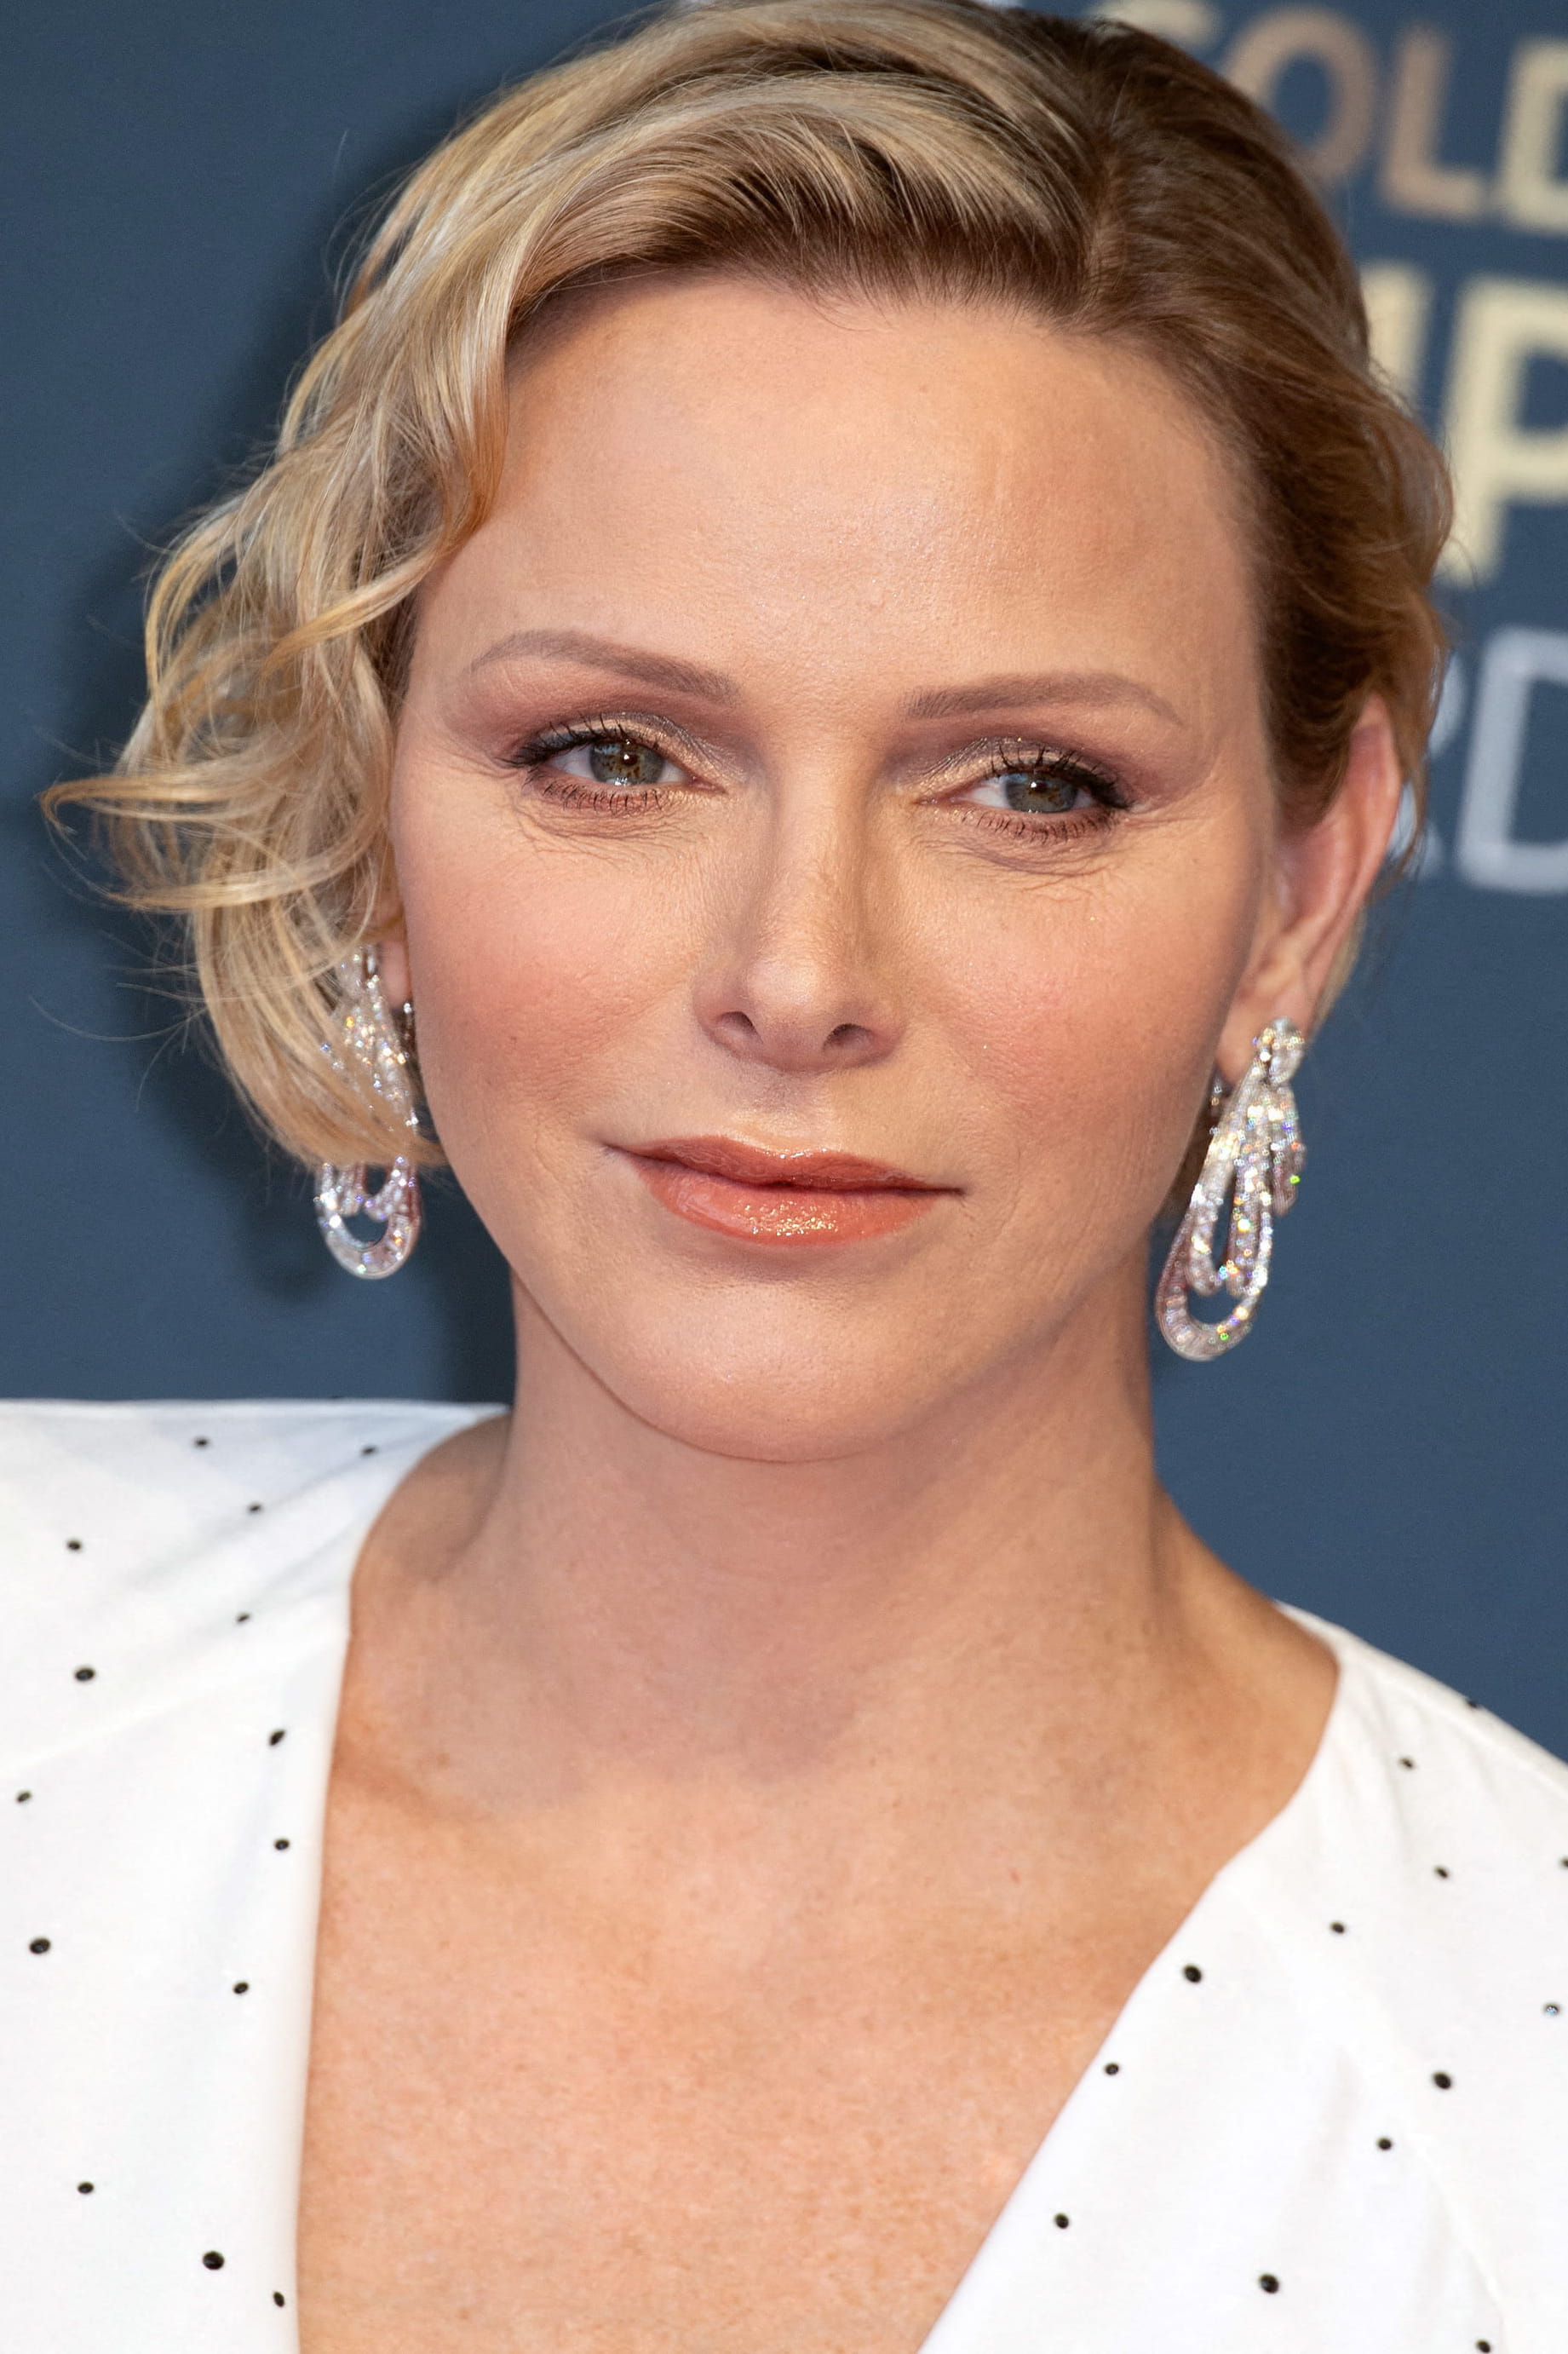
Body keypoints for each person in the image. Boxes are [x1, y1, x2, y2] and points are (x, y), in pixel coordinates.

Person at [7, 3, 1565, 2348]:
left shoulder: (1516, 2095)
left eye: (1029, 785)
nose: (799, 974)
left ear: (1301, 884)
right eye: (615, 754)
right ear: (371, 810)